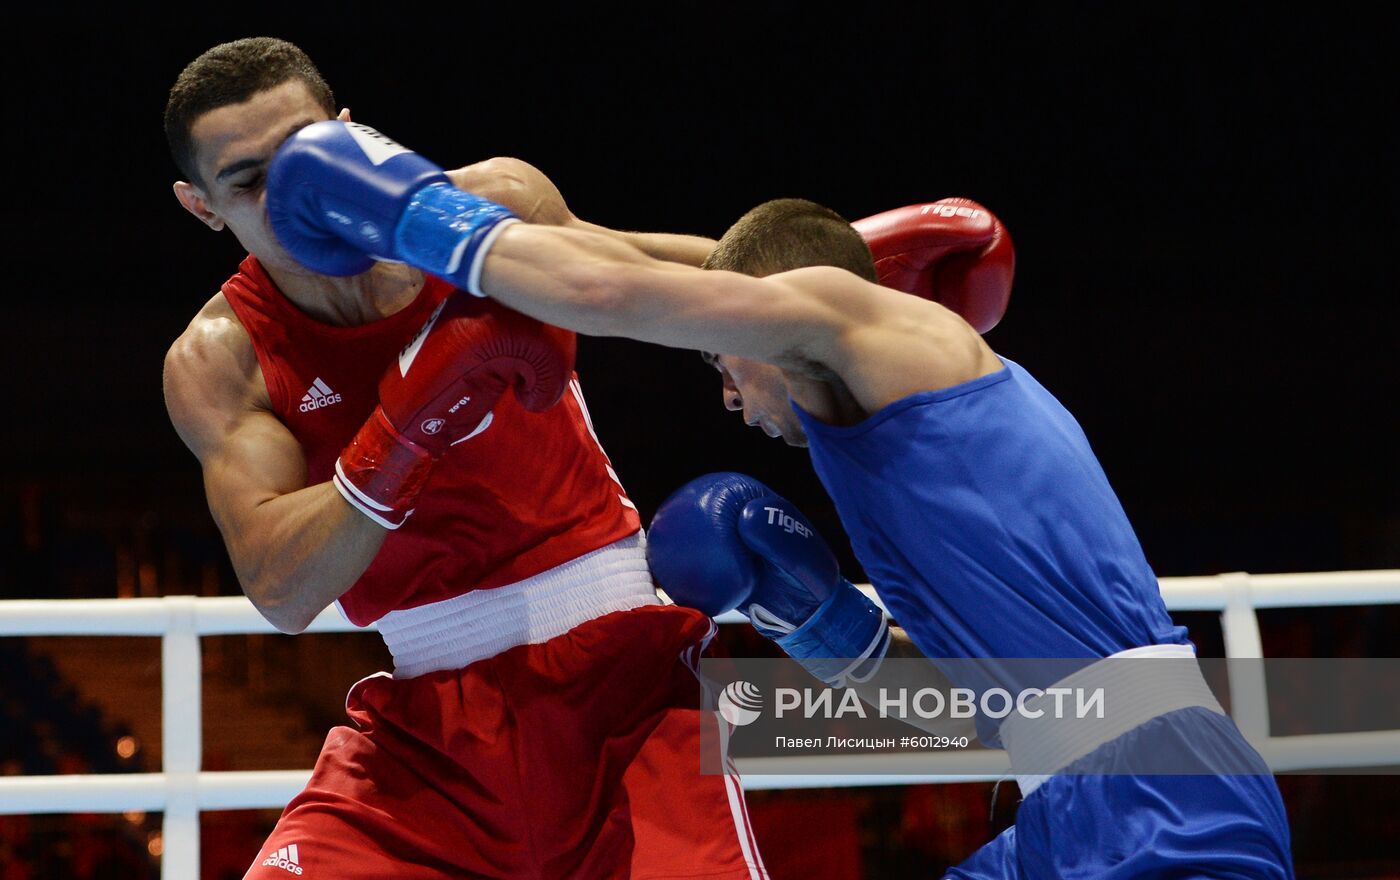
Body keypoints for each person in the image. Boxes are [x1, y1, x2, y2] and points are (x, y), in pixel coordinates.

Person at [260, 118, 1296, 878]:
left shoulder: (873, 326)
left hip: (1163, 793)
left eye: (726, 360)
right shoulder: (868, 406)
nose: (725, 392)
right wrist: (816, 616)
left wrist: (405, 208)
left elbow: (612, 295)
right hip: (1068, 798)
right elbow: (970, 713)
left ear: (774, 318)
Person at [162, 37, 771, 880]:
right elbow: (282, 587)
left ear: (350, 133)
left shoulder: (486, 210)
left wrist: (856, 284)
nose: (295, 199)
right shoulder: (222, 361)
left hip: (622, 684)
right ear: (202, 207)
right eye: (250, 182)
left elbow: (647, 275)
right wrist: (406, 427)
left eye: (307, 157)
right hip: (423, 745)